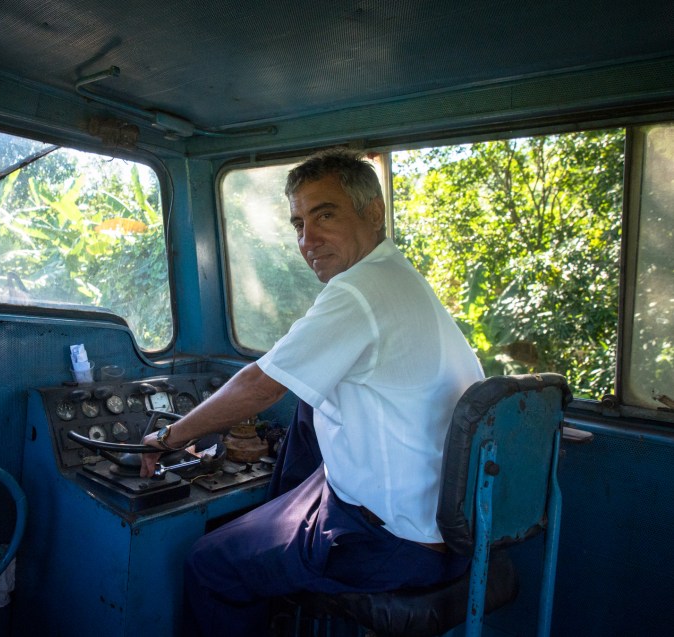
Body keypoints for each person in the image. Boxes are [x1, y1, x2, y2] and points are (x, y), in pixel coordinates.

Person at [140, 147, 484, 637]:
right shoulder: (400, 278)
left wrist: (168, 438)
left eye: (325, 216)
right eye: (298, 224)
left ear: (374, 213)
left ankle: (278, 549)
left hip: (393, 544)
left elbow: (260, 385)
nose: (308, 240)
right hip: (448, 529)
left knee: (208, 564)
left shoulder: (358, 291)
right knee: (309, 402)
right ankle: (276, 531)